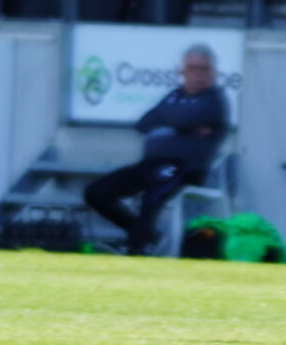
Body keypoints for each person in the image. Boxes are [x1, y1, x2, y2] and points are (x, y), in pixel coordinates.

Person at [82, 43, 230, 255]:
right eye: (192, 68)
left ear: (213, 73)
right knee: (96, 193)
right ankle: (148, 236)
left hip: (185, 167)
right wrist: (184, 125)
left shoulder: (214, 99)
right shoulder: (174, 95)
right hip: (150, 164)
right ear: (183, 71)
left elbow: (187, 117)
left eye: (203, 69)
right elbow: (144, 123)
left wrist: (171, 120)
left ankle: (137, 249)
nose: (198, 74)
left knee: (153, 194)